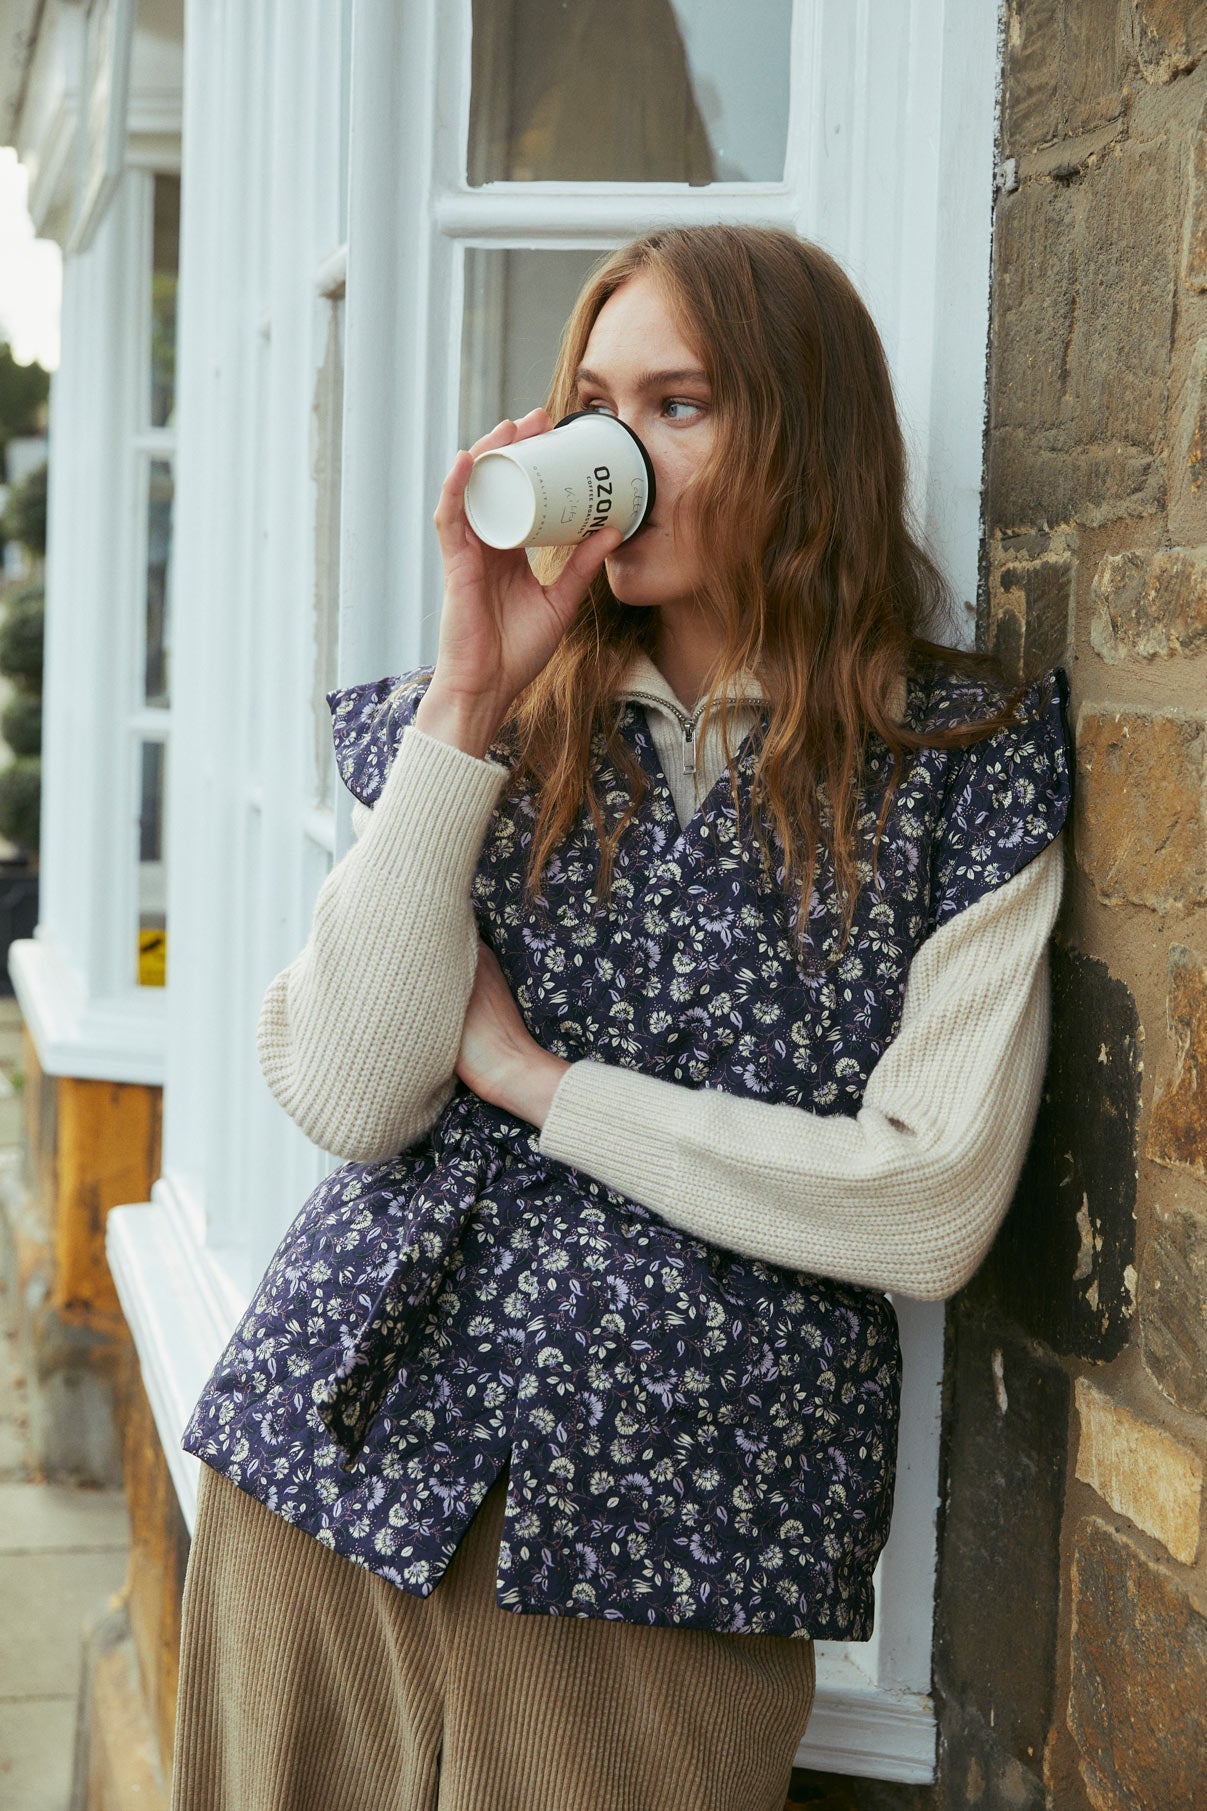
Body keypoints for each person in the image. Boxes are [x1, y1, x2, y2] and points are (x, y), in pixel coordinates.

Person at [170, 225, 1070, 1811]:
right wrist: (466, 697)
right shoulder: (482, 730)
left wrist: (537, 1082)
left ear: (803, 441)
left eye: (681, 405)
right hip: (330, 1479)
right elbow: (347, 1090)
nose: (617, 449)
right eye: (596, 401)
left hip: (674, 1552)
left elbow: (927, 1203)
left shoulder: (957, 771)